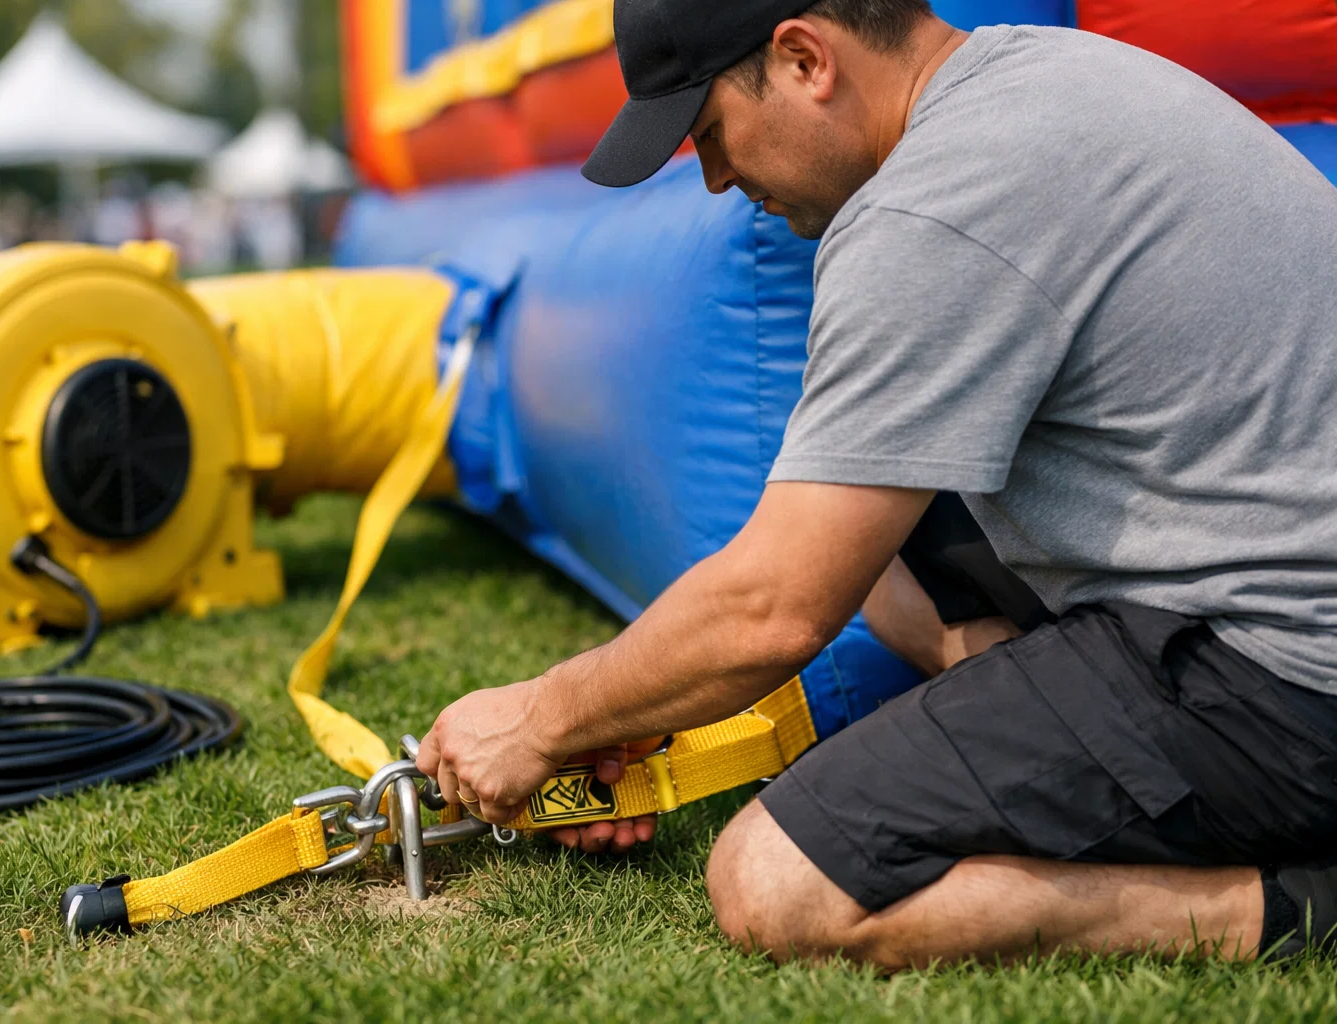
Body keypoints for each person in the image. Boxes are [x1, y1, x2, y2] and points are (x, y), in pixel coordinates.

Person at [416, 0, 1337, 969]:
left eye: (711, 133)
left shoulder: (933, 208)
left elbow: (774, 608)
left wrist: (541, 719)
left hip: (1288, 679)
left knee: (782, 883)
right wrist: (641, 708)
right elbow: (855, 563)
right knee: (899, 547)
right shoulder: (1042, 76)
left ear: (806, 58)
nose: (719, 179)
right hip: (1277, 588)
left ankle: (1294, 904)